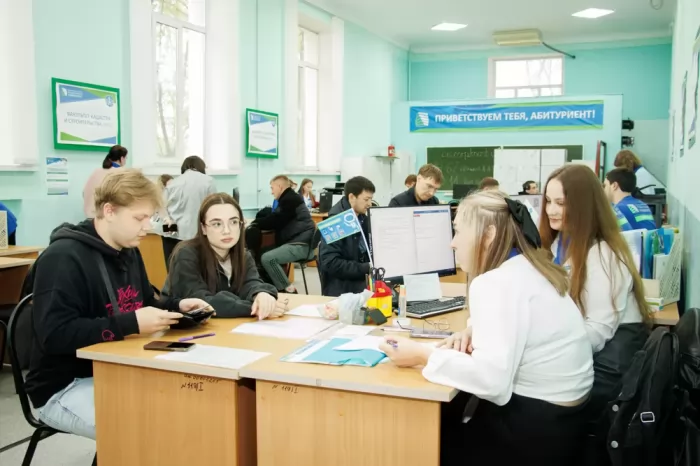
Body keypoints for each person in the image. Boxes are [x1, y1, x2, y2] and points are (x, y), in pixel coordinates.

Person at [379, 190, 593, 465]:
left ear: (488, 235)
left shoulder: (495, 283)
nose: (452, 243)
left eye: (458, 231)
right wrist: (473, 329)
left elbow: (492, 382)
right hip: (566, 425)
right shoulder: (530, 267)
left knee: (425, 440)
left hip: (532, 433)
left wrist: (422, 354)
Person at [24, 169, 210, 440]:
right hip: (63, 385)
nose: (148, 226)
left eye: (150, 217)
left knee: (186, 407)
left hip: (116, 368)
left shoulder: (129, 250)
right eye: (139, 218)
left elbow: (145, 302)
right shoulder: (62, 258)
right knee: (149, 430)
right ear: (109, 211)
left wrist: (178, 306)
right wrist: (131, 323)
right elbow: (54, 335)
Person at [540, 164, 651, 413]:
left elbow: (598, 331)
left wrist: (544, 352)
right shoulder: (559, 242)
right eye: (548, 201)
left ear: (584, 206)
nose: (550, 210)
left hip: (606, 363)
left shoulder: (605, 253)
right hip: (581, 348)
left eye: (561, 203)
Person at [166, 193, 285, 319]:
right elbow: (201, 303)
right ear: (203, 228)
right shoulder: (186, 254)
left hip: (228, 326)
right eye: (217, 224)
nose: (227, 231)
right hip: (188, 328)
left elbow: (251, 283)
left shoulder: (244, 255)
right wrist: (255, 308)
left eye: (233, 222)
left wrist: (261, 294)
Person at [252, 175, 315, 293]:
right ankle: (273, 288)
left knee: (268, 258)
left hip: (301, 245)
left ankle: (288, 289)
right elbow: (277, 218)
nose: (271, 192)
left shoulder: (290, 200)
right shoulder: (290, 198)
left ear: (280, 187)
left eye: (272, 188)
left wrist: (255, 222)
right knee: (261, 253)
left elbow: (276, 220)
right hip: (299, 241)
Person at [319, 176, 375, 296]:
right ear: (351, 197)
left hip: (361, 278)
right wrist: (366, 267)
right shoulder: (336, 222)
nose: (369, 204)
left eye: (371, 199)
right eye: (366, 199)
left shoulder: (362, 217)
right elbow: (331, 262)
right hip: (343, 286)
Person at [162, 156, 217, 269]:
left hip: (172, 233)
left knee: (173, 269)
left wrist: (167, 219)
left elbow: (160, 207)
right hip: (198, 234)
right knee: (198, 269)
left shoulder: (173, 183)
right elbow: (213, 207)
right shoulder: (209, 181)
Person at [83, 145, 127, 218]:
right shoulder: (122, 173)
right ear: (122, 158)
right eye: (126, 158)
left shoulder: (96, 172)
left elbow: (84, 192)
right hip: (106, 217)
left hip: (90, 216)